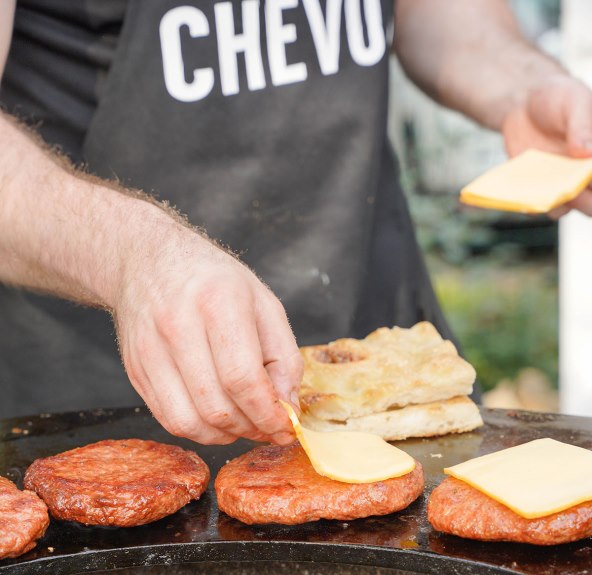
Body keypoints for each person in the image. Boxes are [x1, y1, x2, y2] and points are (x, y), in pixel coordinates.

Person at [1, 1, 591, 445]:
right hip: (114, 414)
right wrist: (133, 257)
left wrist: (525, 89)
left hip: (393, 380)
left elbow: (447, 19)